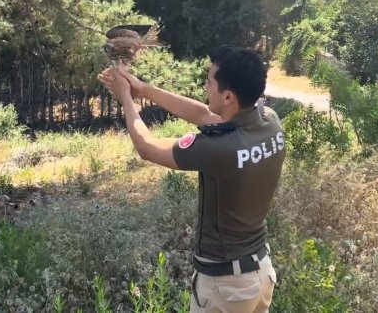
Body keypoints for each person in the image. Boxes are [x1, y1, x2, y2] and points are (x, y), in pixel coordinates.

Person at [98, 45, 285, 313]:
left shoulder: (220, 148)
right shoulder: (270, 122)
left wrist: (126, 97)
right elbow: (205, 115)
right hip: (259, 273)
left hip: (226, 286)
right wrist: (144, 90)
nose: (205, 86)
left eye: (209, 82)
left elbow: (146, 146)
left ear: (228, 96)